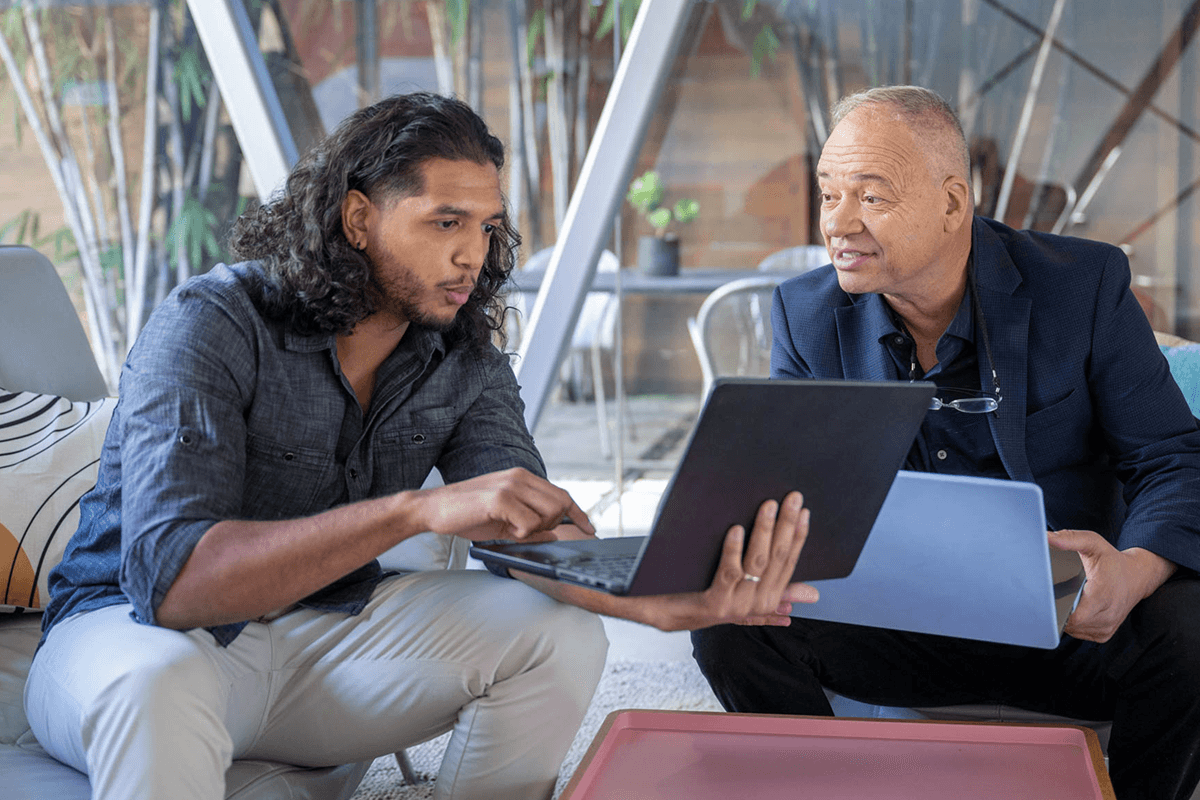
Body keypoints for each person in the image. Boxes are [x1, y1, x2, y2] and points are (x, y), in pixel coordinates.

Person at [26, 92, 817, 800]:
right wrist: (415, 512)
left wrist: (657, 599)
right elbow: (175, 585)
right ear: (359, 217)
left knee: (560, 635)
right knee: (159, 681)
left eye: (486, 227)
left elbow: (529, 532)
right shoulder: (213, 323)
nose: (473, 252)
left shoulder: (463, 358)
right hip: (129, 638)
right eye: (445, 222)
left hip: (320, 641)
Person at [691, 85, 1200, 800]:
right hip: (901, 621)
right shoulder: (806, 314)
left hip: (1072, 622)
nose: (838, 222)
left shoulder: (1082, 286)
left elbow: (1173, 458)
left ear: (953, 203)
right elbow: (799, 493)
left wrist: (1133, 574)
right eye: (828, 193)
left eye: (870, 197)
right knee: (729, 625)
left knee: (1192, 628)